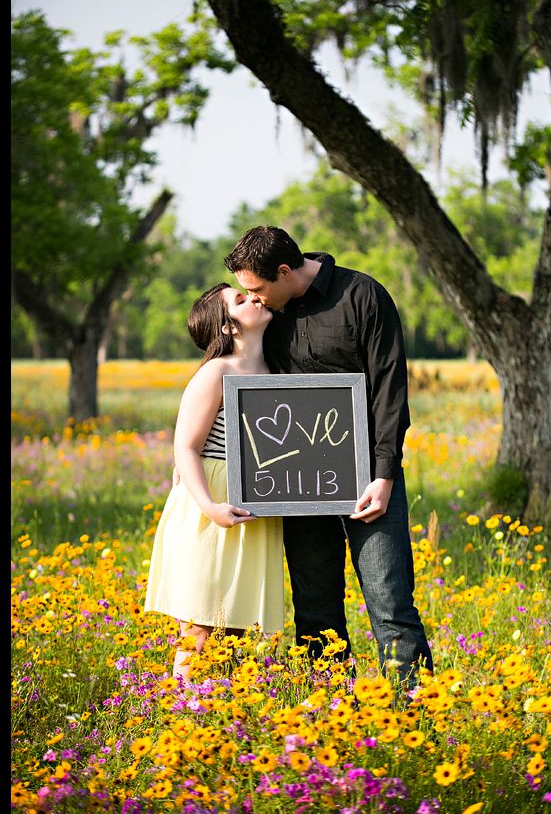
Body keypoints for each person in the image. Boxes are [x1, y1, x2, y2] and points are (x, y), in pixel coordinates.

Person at [223, 226, 433, 690]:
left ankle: (418, 716)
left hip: (368, 481)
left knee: (390, 603)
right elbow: (227, 372)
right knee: (315, 610)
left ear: (283, 271)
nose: (252, 299)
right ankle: (331, 717)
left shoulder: (362, 295)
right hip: (296, 484)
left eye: (256, 288)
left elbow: (389, 391)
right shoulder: (265, 315)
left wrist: (383, 475)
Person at [144, 283, 284, 679]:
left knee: (237, 624)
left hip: (254, 503)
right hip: (213, 504)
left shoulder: (274, 369)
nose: (254, 297)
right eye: (240, 300)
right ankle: (184, 715)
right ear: (227, 327)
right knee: (202, 624)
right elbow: (185, 447)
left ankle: (220, 717)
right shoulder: (217, 371)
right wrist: (211, 508)